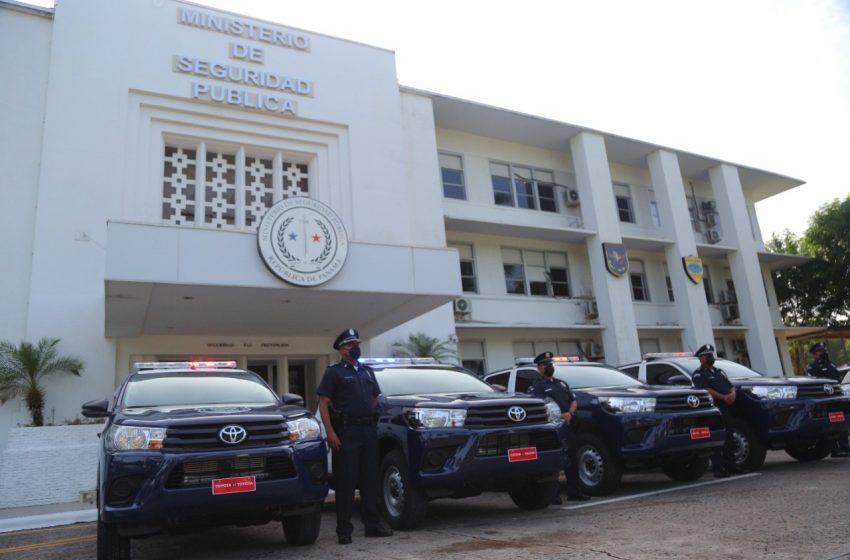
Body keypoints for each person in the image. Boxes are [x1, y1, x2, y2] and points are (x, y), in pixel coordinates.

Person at [317, 328, 393, 544]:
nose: (355, 348)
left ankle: (372, 525)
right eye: (351, 345)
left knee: (370, 481)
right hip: (346, 433)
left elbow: (375, 397)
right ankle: (344, 530)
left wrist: (371, 415)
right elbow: (323, 403)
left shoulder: (367, 371)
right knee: (346, 483)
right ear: (342, 350)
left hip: (368, 431)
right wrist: (331, 432)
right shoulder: (334, 372)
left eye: (357, 343)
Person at [528, 351, 590, 503]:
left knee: (571, 460)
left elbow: (573, 401)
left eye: (550, 364)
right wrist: (560, 416)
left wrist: (569, 413)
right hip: (553, 429)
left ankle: (574, 492)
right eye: (545, 365)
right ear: (539, 369)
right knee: (555, 462)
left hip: (568, 425)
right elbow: (541, 406)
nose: (549, 367)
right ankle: (554, 496)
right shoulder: (537, 387)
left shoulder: (561, 383)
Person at [692, 343, 742, 477]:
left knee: (729, 437)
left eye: (711, 355)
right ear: (701, 359)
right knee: (717, 440)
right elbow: (706, 390)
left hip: (727, 408)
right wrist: (724, 397)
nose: (710, 357)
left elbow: (730, 386)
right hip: (714, 410)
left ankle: (732, 466)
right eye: (707, 355)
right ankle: (719, 469)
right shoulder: (699, 374)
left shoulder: (719, 372)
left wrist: (732, 395)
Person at [805, 342, 850, 458]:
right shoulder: (813, 367)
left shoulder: (831, 365)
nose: (822, 353)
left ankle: (845, 447)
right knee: (830, 425)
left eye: (823, 351)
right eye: (819, 352)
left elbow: (837, 379)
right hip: (824, 400)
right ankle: (834, 450)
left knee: (840, 422)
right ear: (815, 354)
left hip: (835, 399)